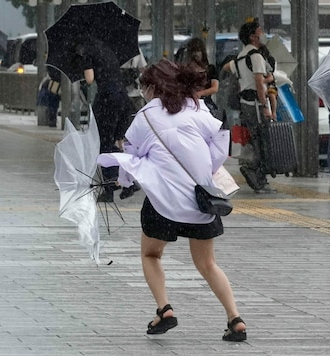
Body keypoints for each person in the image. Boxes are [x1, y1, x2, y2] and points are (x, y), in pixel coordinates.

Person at [97, 59, 246, 342]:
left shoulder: (144, 117)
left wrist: (123, 180)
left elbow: (134, 157)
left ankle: (165, 309)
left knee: (151, 254)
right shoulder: (197, 108)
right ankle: (235, 318)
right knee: (208, 264)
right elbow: (217, 147)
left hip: (163, 202)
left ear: (152, 87)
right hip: (203, 201)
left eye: (144, 86)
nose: (142, 92)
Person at [222, 19, 276, 193]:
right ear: (253, 37)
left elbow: (230, 71)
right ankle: (254, 172)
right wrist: (265, 106)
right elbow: (259, 84)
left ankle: (258, 177)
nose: (263, 34)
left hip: (245, 104)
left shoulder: (239, 58)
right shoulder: (256, 56)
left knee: (255, 139)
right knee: (263, 141)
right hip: (255, 104)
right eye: (260, 31)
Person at [77, 39, 134, 202]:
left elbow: (89, 79)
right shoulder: (107, 49)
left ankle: (112, 186)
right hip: (123, 99)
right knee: (115, 143)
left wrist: (83, 65)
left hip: (108, 101)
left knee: (103, 145)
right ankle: (126, 181)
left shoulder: (87, 51)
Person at [175, 37, 220, 119]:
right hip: (188, 104)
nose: (195, 54)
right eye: (193, 51)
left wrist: (200, 94)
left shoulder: (210, 69)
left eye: (198, 51)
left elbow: (215, 88)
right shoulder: (185, 70)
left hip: (205, 103)